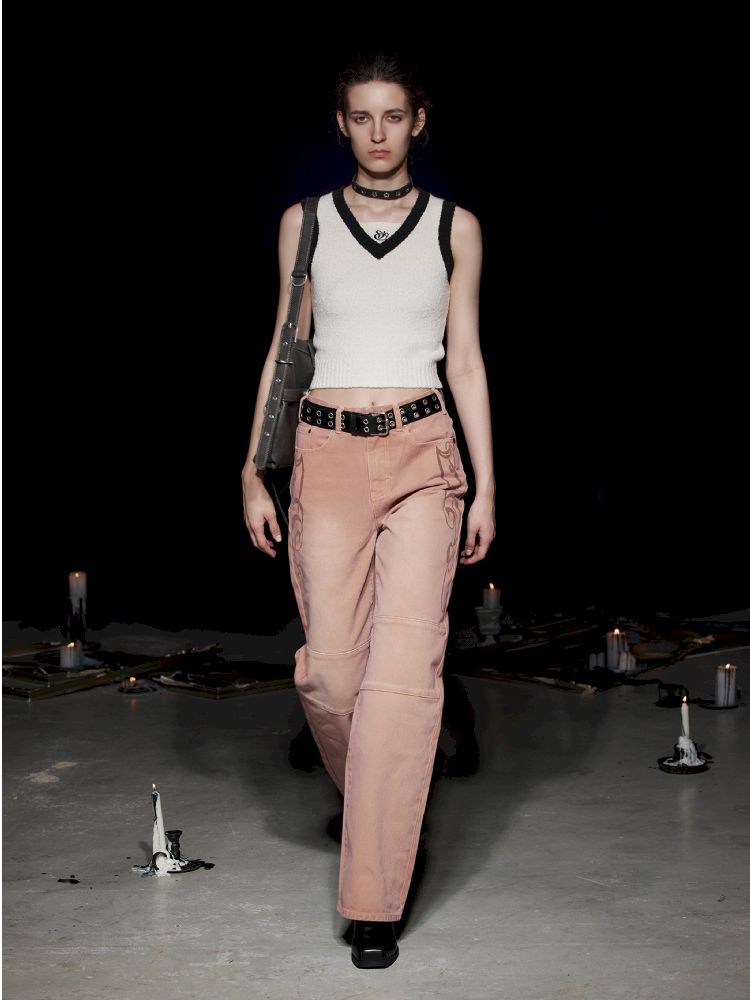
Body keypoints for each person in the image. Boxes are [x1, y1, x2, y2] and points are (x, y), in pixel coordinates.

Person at [241, 50, 495, 969]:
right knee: (333, 677)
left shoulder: (454, 226)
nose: (378, 132)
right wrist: (252, 469)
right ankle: (383, 803)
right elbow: (286, 349)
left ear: (418, 122)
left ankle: (376, 894)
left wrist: (487, 485)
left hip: (425, 453)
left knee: (401, 678)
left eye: (394, 115)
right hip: (327, 454)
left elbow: (464, 359)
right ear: (342, 125)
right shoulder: (305, 223)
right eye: (362, 117)